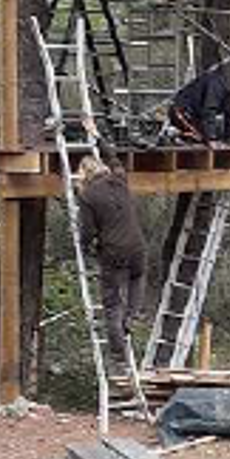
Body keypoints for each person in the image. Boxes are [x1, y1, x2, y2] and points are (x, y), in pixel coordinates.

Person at [77, 150, 147, 376]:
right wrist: (97, 137)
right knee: (137, 278)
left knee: (112, 305)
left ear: (84, 174)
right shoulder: (119, 178)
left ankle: (119, 359)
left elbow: (88, 231)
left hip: (113, 251)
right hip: (137, 246)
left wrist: (83, 248)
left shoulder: (88, 196)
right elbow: (115, 157)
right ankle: (133, 315)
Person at [168, 58, 230, 144]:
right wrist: (211, 139)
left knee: (217, 134)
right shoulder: (217, 81)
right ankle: (174, 134)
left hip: (196, 116)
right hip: (181, 111)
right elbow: (209, 109)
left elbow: (229, 113)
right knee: (203, 137)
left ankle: (186, 136)